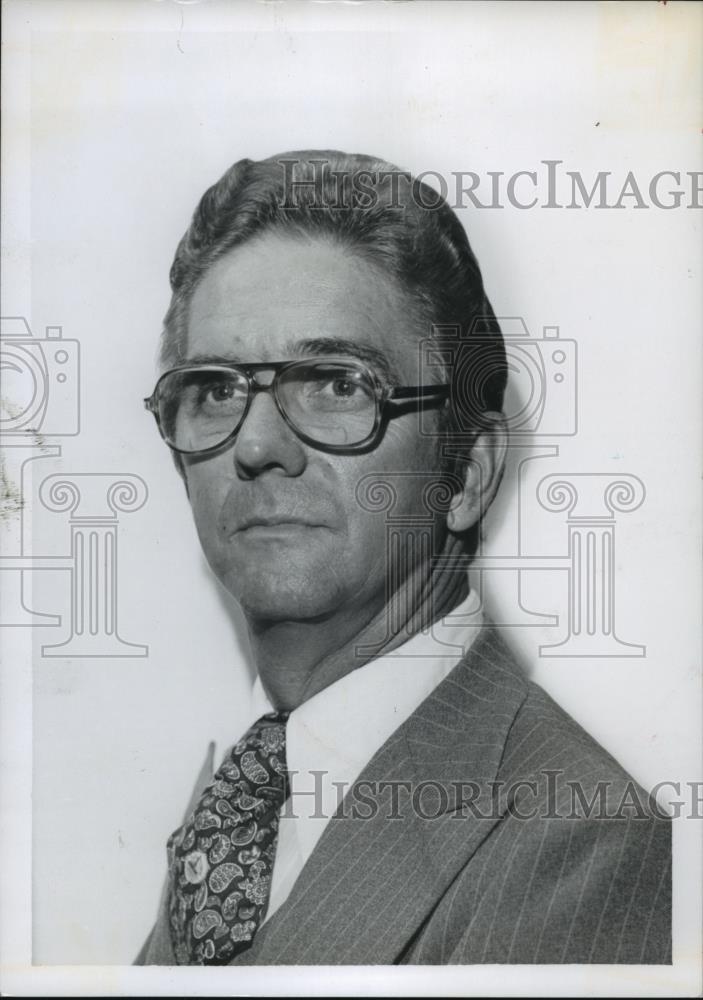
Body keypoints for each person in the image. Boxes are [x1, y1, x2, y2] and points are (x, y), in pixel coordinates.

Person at [136, 151, 671, 966]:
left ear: (466, 473)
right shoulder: (242, 790)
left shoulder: (580, 841)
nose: (254, 444)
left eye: (337, 384)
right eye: (213, 389)